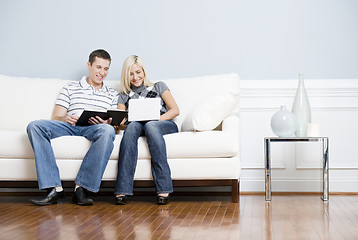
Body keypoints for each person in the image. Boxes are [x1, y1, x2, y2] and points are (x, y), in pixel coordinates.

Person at [27, 49, 119, 206]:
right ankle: (54, 189)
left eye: (106, 69)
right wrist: (65, 118)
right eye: (98, 67)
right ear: (89, 65)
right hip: (70, 126)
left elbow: (115, 127)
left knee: (108, 130)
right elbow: (56, 116)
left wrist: (107, 124)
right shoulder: (70, 87)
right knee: (35, 126)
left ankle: (81, 189)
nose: (102, 72)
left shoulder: (112, 94)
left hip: (95, 128)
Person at [114, 55, 179, 205]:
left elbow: (175, 110)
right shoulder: (124, 95)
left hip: (162, 124)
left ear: (144, 71)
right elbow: (122, 121)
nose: (135, 77)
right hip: (138, 125)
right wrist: (128, 121)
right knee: (131, 129)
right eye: (131, 74)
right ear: (126, 76)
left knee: (151, 125)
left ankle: (163, 187)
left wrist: (155, 119)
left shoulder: (158, 86)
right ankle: (122, 189)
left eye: (138, 72)